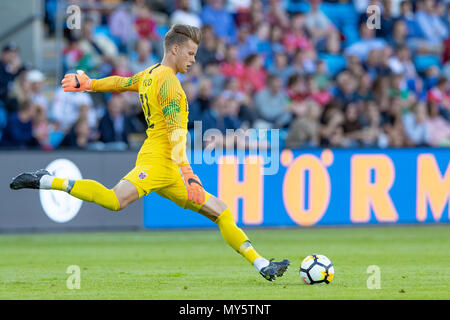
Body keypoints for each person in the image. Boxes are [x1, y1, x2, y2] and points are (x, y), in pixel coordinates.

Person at [9, 24, 289, 282]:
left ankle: (262, 264)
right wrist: (188, 173)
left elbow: (121, 83)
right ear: (175, 49)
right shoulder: (168, 82)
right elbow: (175, 132)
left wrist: (91, 83)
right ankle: (47, 180)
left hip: (169, 165)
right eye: (190, 53)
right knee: (114, 200)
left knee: (221, 212)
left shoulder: (150, 73)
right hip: (158, 159)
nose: (193, 60)